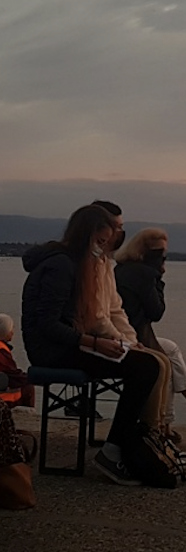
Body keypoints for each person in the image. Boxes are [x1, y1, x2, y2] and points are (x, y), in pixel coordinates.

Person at [20, 204, 168, 486]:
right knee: (145, 367)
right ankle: (116, 451)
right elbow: (48, 325)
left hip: (73, 343)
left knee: (147, 363)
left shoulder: (83, 263)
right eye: (100, 242)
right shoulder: (60, 265)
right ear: (85, 236)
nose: (103, 247)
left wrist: (111, 342)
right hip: (52, 351)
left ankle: (127, 444)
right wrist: (96, 343)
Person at [114, 228, 186, 422]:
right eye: (160, 254)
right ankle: (164, 424)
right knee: (163, 362)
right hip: (133, 339)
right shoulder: (146, 274)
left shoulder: (121, 269)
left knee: (171, 350)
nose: (162, 258)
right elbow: (157, 312)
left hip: (122, 334)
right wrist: (159, 279)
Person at [0, 314, 35, 409]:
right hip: (3, 397)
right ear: (4, 331)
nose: (13, 332)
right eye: (11, 329)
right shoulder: (1, 351)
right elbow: (12, 374)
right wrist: (30, 378)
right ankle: (28, 414)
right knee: (28, 387)